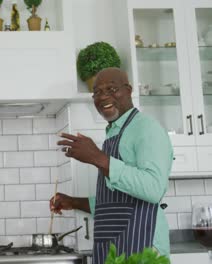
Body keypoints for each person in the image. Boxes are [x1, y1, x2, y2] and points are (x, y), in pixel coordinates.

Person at [50, 68, 173, 263]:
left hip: (143, 247)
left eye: (112, 88)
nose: (103, 96)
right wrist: (72, 202)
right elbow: (116, 204)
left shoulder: (147, 128)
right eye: (97, 92)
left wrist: (97, 157)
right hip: (115, 249)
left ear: (128, 90)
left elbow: (153, 189)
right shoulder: (114, 133)